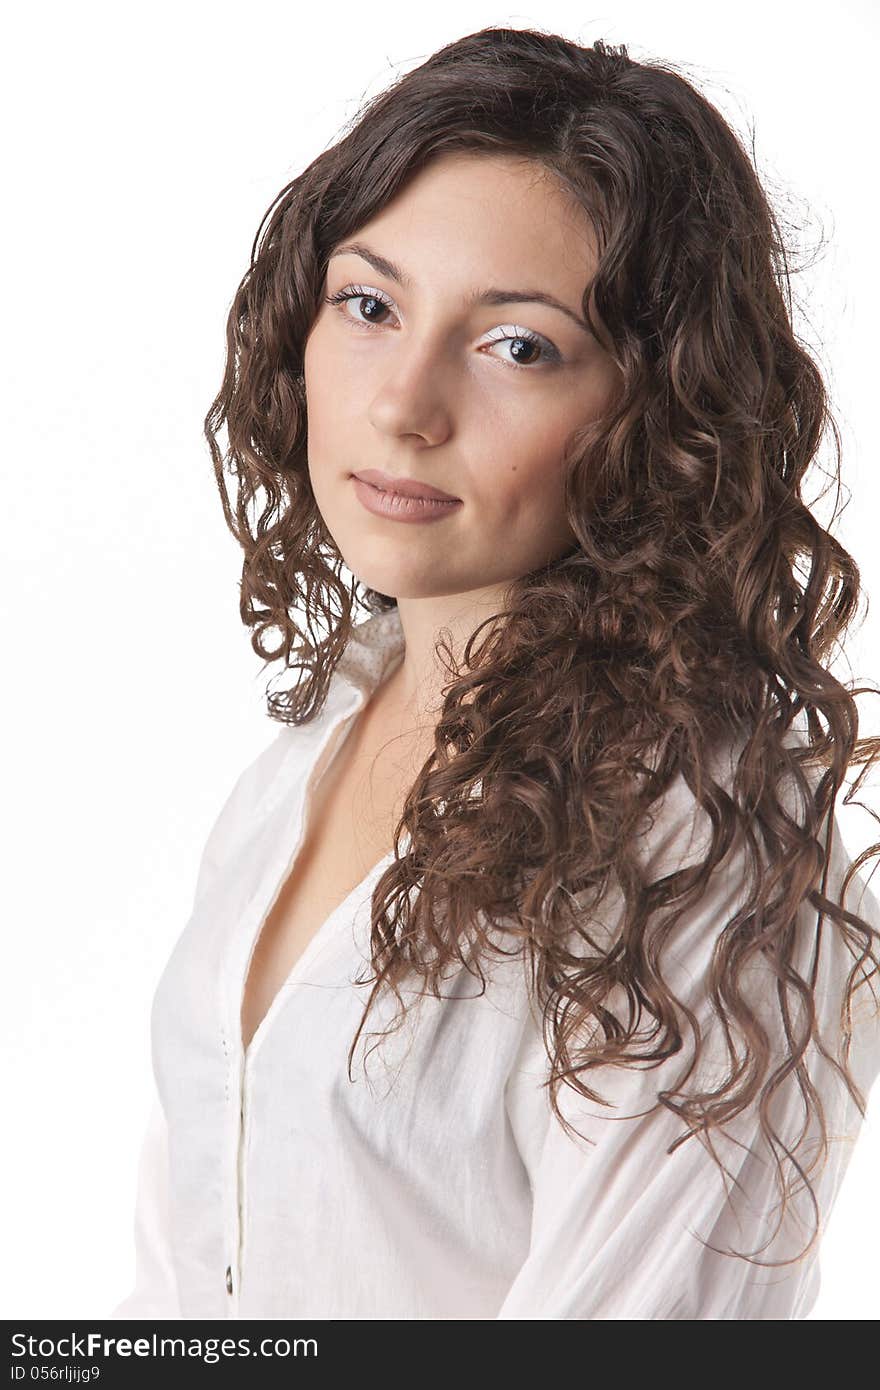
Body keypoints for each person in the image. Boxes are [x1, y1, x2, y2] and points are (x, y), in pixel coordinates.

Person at [109, 27, 880, 1320]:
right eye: (370, 305)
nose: (405, 401)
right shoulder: (308, 751)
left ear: (658, 414)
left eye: (516, 346)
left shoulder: (697, 847)